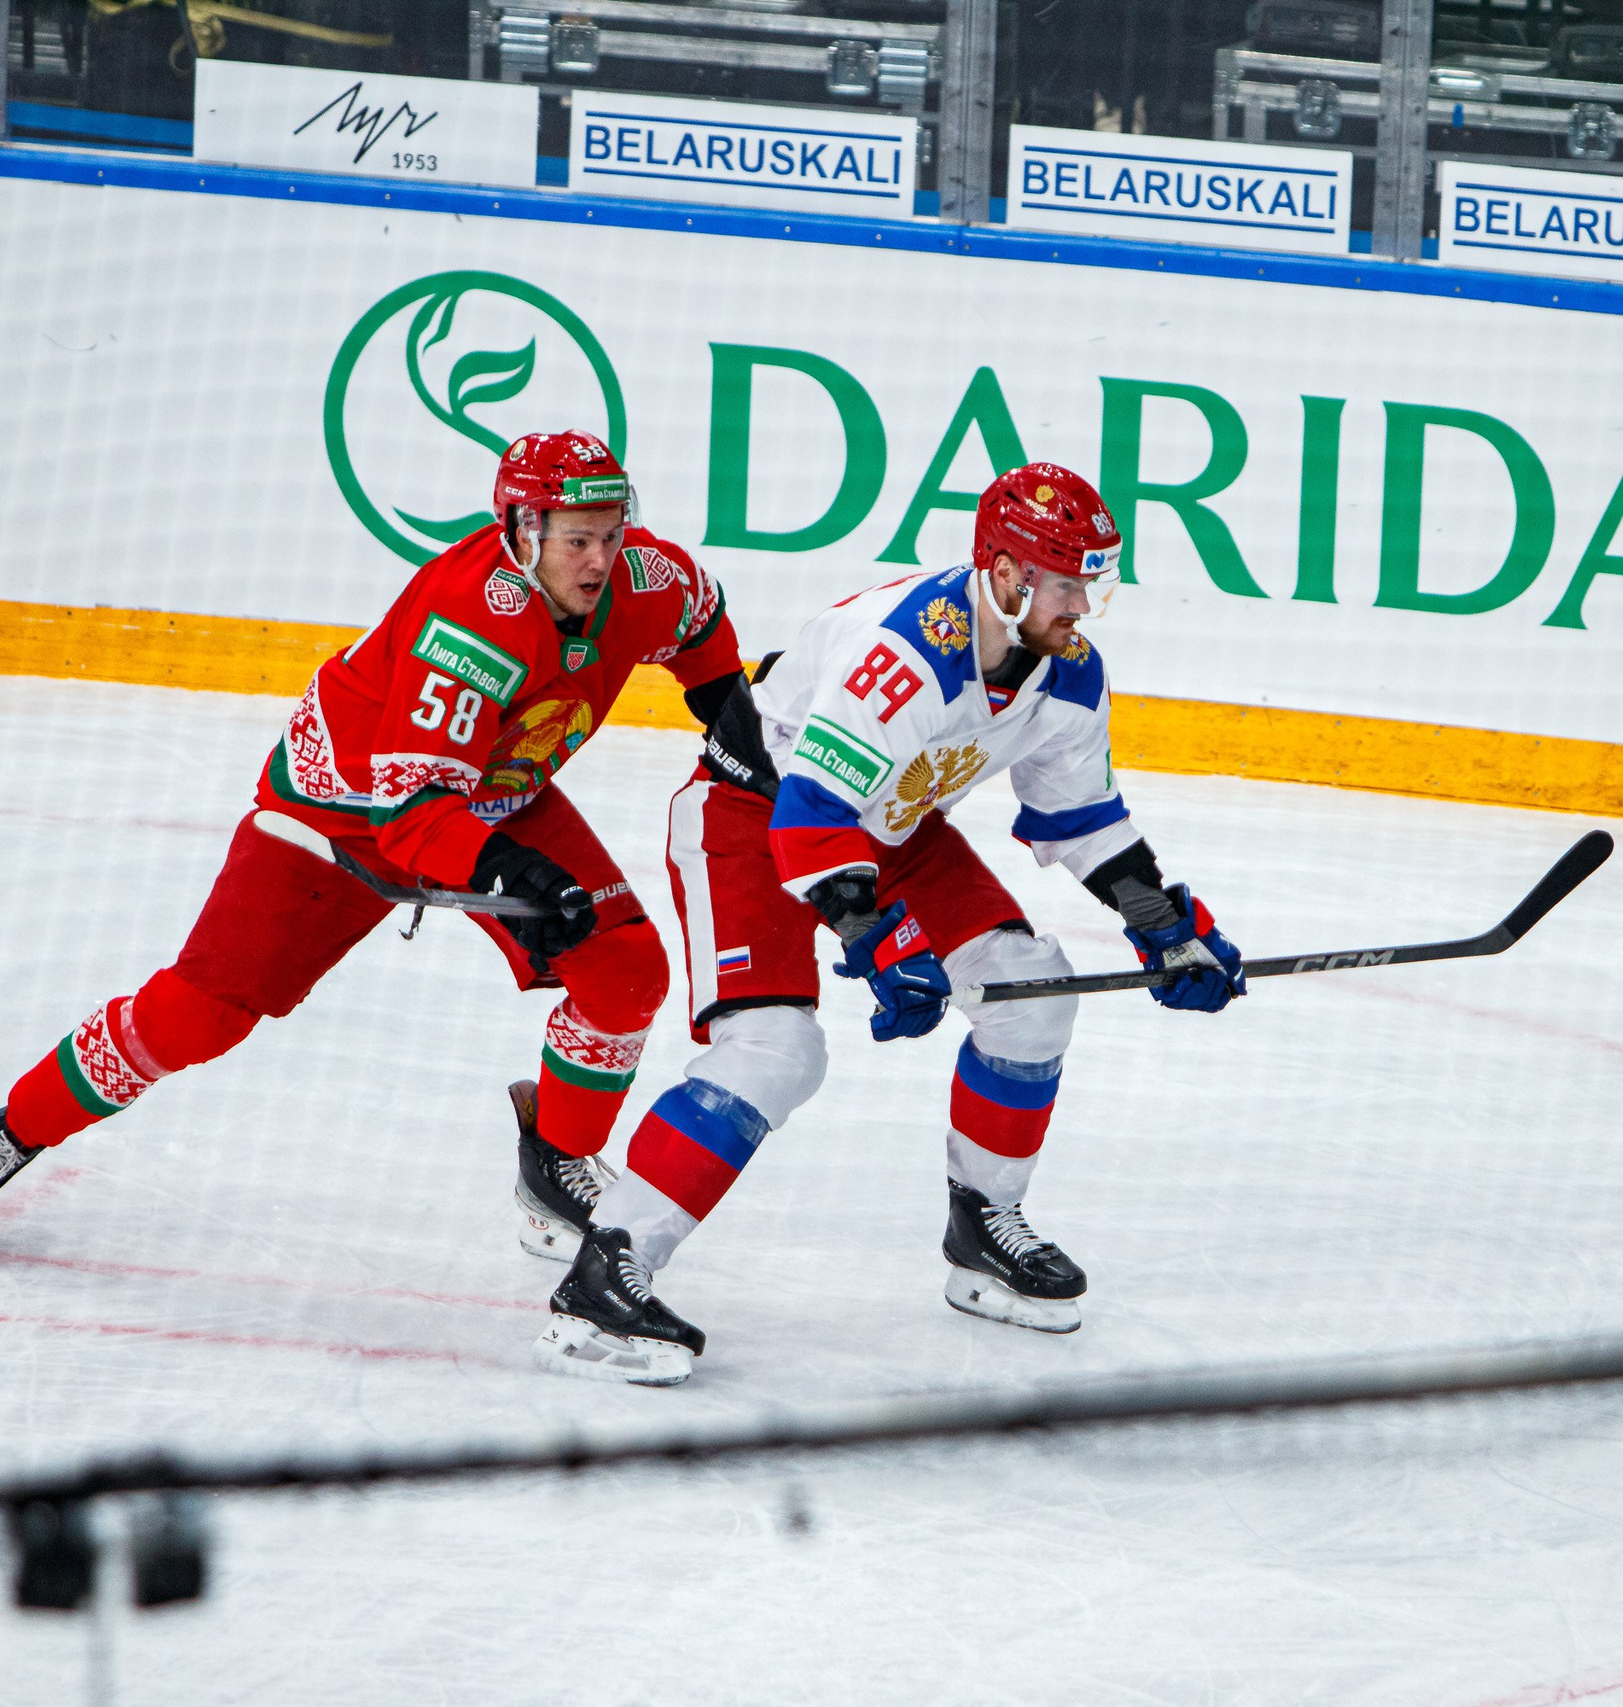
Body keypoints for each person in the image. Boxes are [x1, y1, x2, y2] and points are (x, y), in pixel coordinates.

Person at [0, 432, 775, 1251]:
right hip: (341, 810)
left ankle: (554, 1165)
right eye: (579, 539)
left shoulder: (649, 575)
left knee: (623, 969)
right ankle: (12, 1131)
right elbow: (413, 817)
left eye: (611, 536)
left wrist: (740, 727)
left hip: (490, 791)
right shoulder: (470, 621)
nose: (600, 560)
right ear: (522, 531)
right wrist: (528, 878)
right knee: (201, 1012)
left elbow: (703, 638)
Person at [524, 463, 1247, 1388]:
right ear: (1007, 573)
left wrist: (1164, 925)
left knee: (1030, 999)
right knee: (776, 1051)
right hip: (751, 816)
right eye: (1069, 583)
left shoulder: (1066, 671)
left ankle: (982, 1227)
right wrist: (877, 938)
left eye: (1091, 583)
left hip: (887, 826)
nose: (1085, 606)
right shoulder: (905, 650)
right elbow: (812, 814)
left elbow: (1082, 817)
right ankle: (604, 1273)